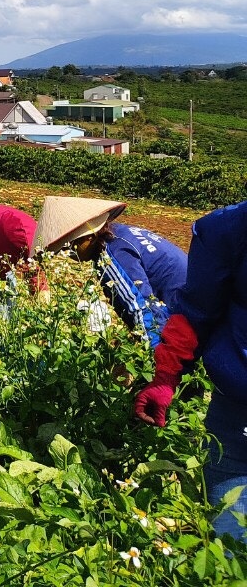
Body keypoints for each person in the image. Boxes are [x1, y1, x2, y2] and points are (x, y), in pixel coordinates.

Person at [135, 201, 247, 541]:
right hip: (236, 408)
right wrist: (165, 378)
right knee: (231, 544)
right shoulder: (228, 230)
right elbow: (195, 313)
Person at [35, 196, 187, 347]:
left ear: (89, 236)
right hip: (192, 298)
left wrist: (153, 357)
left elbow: (141, 306)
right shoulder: (120, 234)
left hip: (185, 308)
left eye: (71, 246)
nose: (70, 254)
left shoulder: (111, 253)